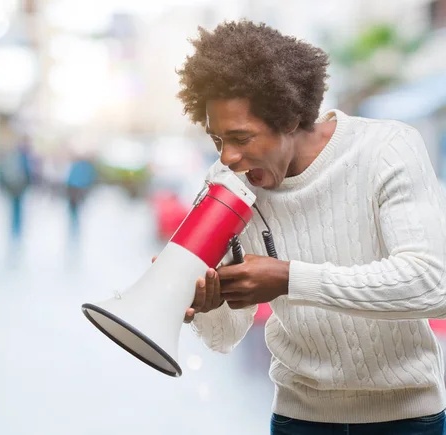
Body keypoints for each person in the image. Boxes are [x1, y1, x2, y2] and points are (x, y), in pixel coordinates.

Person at [171, 20, 446, 434]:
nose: (227, 157)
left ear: (289, 118)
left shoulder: (386, 148)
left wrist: (289, 279)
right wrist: (207, 305)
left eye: (241, 137)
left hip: (407, 418)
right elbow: (225, 336)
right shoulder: (229, 184)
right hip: (298, 420)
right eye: (216, 140)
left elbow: (432, 283)